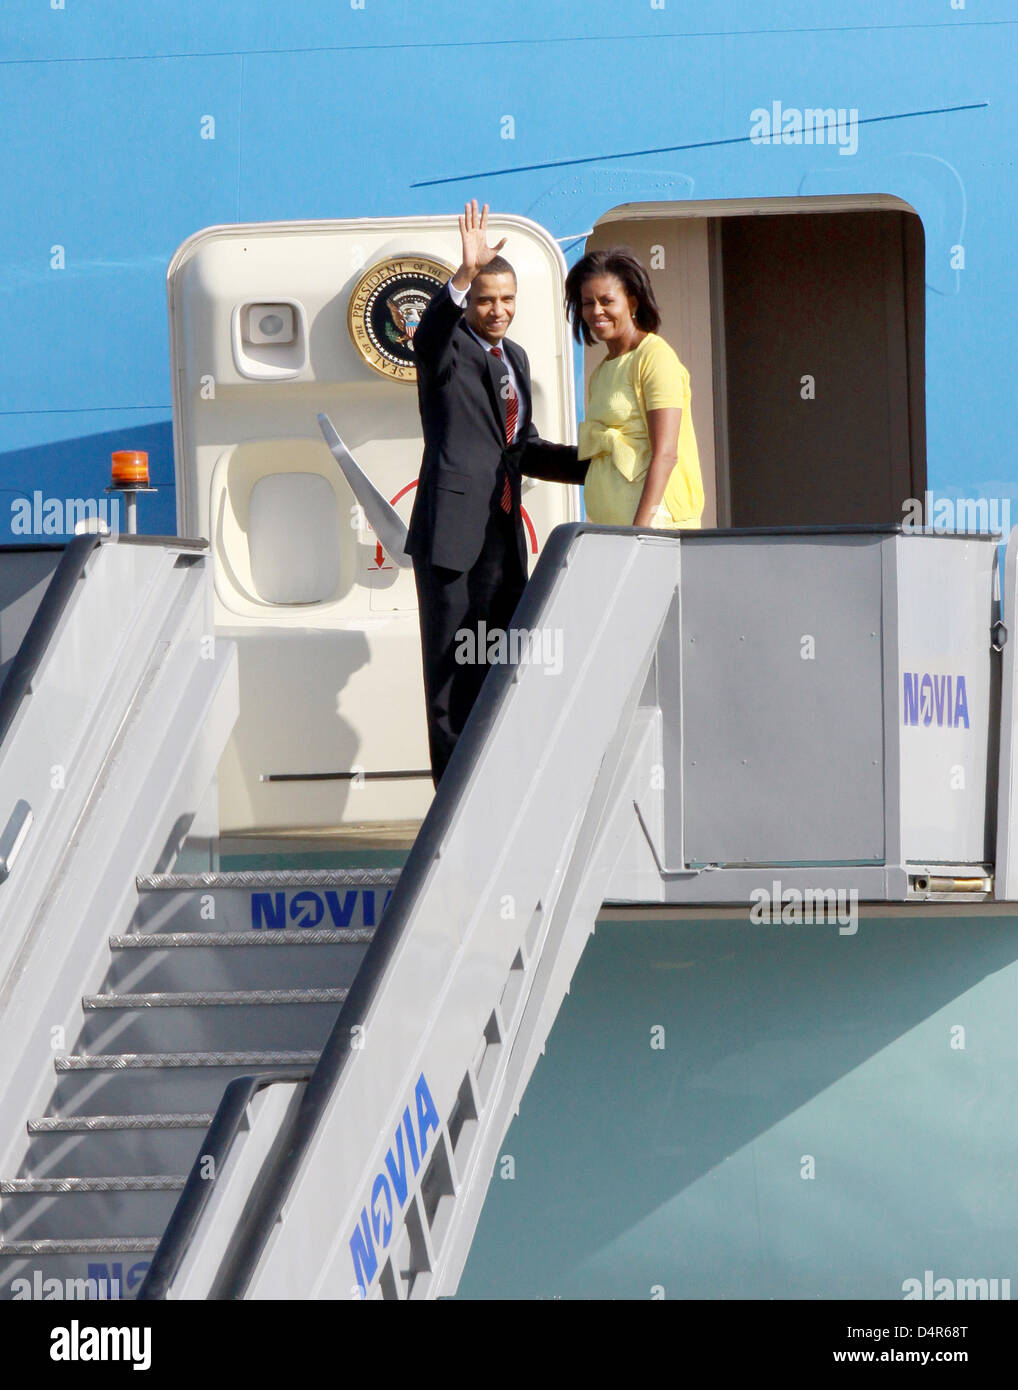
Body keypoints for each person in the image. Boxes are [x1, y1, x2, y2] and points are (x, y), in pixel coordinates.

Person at [406, 200, 585, 785]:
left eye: (507, 300)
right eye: (486, 299)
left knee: (500, 662)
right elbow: (426, 337)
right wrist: (460, 274)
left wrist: (595, 467)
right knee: (453, 671)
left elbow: (521, 447)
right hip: (453, 539)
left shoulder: (517, 359)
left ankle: (494, 784)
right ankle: (451, 800)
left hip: (502, 541)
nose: (498, 310)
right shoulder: (446, 349)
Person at [564, 247, 704, 529]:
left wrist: (638, 533)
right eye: (588, 303)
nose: (596, 311)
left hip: (653, 530)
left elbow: (666, 454)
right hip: (614, 530)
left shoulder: (654, 357)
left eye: (607, 301)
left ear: (633, 302)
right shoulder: (603, 369)